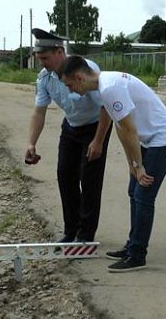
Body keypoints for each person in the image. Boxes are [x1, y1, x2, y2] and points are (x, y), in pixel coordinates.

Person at [61, 55, 166, 272]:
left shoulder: (109, 88)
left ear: (79, 77)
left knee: (144, 194)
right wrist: (131, 164)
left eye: (70, 85)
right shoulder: (104, 88)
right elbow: (120, 128)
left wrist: (139, 166)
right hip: (148, 139)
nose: (71, 91)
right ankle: (131, 246)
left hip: (164, 137)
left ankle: (137, 255)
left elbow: (129, 130)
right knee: (133, 190)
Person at [25, 28, 112, 243]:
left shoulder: (85, 70)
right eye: (39, 58)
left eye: (45, 58)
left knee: (89, 180)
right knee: (65, 176)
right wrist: (31, 143)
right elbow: (39, 111)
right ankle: (70, 230)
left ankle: (85, 235)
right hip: (71, 127)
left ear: (59, 52)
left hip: (95, 126)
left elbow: (106, 107)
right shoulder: (44, 79)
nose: (42, 63)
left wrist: (98, 141)